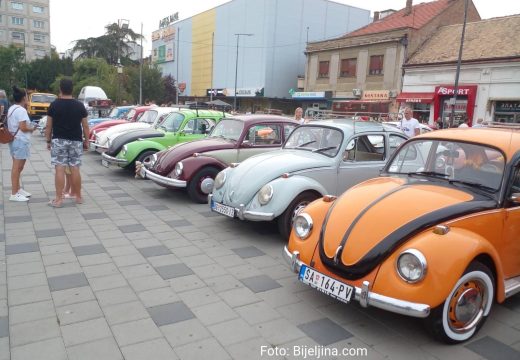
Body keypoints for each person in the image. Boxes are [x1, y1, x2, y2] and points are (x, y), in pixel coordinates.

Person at [45, 78, 89, 207]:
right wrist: (87, 141)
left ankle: (58, 200)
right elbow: (85, 126)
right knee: (75, 168)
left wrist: (48, 140)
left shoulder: (54, 105)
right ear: (72, 89)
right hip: (76, 140)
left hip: (58, 140)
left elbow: (48, 125)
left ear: (60, 89)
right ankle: (79, 197)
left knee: (59, 168)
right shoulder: (79, 105)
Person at [8, 86, 36, 201]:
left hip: (14, 140)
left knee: (19, 166)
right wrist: (32, 128)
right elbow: (23, 127)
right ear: (24, 98)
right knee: (17, 167)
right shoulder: (21, 110)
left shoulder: (12, 108)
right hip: (20, 141)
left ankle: (18, 189)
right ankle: (14, 193)